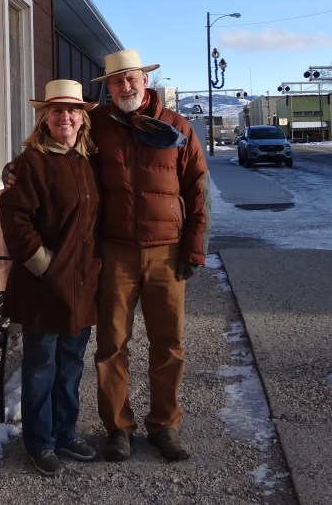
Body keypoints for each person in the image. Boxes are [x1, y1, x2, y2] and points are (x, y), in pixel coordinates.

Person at [90, 49, 208, 464]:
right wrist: (20, 168)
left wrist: (195, 247)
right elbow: (58, 151)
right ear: (108, 88)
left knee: (168, 342)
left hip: (167, 252)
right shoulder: (96, 125)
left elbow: (198, 190)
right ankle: (118, 429)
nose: (126, 86)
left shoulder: (176, 127)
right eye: (117, 81)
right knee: (110, 344)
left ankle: (165, 425)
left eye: (132, 78)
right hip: (116, 252)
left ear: (145, 80)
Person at [0, 79, 101, 478]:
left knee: (72, 362)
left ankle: (65, 431)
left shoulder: (88, 160)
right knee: (41, 364)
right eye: (57, 111)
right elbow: (15, 219)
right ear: (45, 117)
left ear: (82, 119)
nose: (66, 117)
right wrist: (44, 264)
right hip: (43, 285)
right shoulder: (30, 163)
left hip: (82, 283)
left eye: (72, 111)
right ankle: (39, 442)